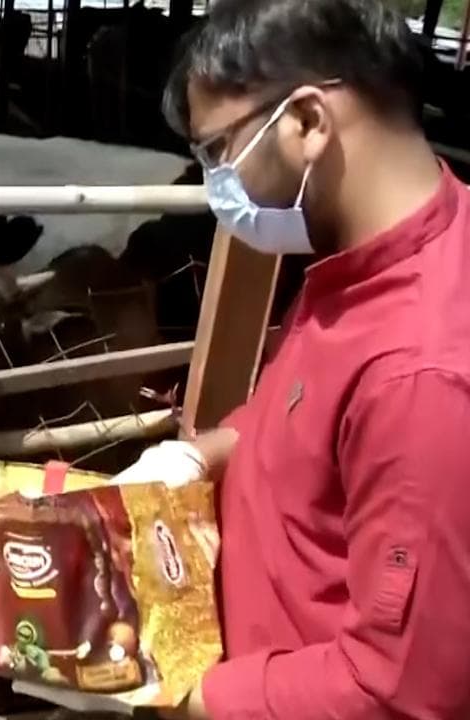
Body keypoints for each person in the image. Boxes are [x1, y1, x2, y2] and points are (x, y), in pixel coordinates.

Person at [109, 0, 470, 717]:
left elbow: (397, 691)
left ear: (307, 121)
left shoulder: (423, 375)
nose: (216, 181)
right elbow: (301, 428)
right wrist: (197, 455)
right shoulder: (361, 263)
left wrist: (179, 696)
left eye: (218, 150)